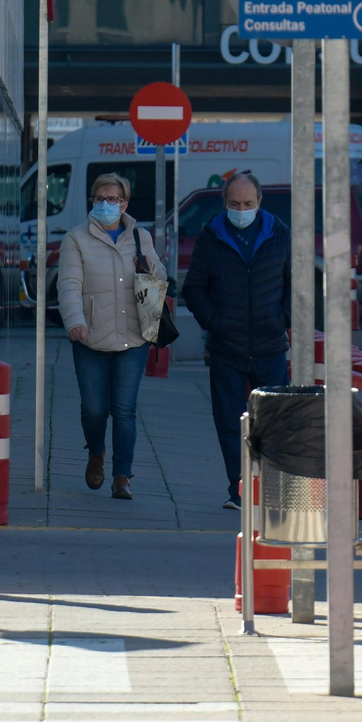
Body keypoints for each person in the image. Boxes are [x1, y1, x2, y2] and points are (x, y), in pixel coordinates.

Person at [181, 173, 291, 510]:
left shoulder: (280, 235)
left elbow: (297, 283)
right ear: (224, 203)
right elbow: (193, 288)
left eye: (247, 204)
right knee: (229, 423)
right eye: (234, 204)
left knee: (273, 422)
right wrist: (216, 322)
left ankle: (272, 490)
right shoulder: (211, 236)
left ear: (259, 202)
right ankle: (238, 489)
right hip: (226, 348)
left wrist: (281, 319)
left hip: (270, 345)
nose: (240, 210)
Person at [57, 173, 164, 501]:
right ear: (92, 200)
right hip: (90, 335)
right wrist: (75, 321)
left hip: (133, 336)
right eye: (101, 198)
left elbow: (159, 281)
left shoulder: (141, 237)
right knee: (93, 408)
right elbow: (69, 285)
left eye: (114, 199)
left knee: (124, 408)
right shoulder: (76, 239)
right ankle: (97, 453)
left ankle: (122, 476)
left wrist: (146, 269)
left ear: (125, 203)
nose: (107, 204)